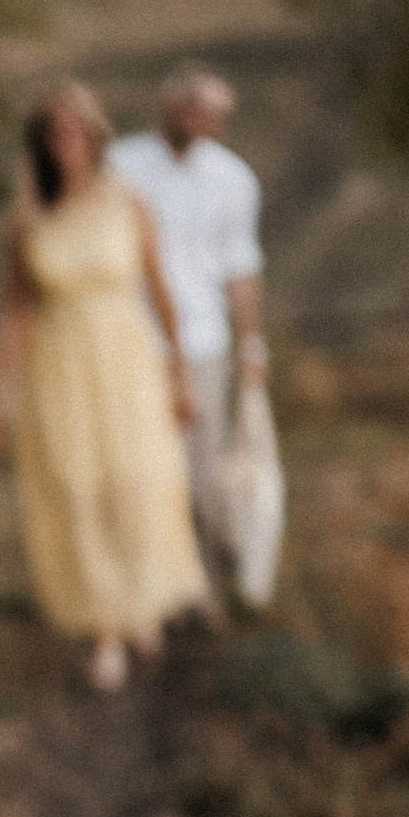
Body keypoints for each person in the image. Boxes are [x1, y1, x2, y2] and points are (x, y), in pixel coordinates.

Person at [0, 78, 207, 693]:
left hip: (126, 362)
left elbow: (161, 294)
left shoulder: (127, 204)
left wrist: (181, 374)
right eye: (54, 133)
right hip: (58, 367)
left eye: (76, 130)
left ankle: (143, 604)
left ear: (94, 135)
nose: (66, 142)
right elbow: (14, 314)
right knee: (77, 488)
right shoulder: (26, 220)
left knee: (136, 481)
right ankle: (104, 626)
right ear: (42, 144)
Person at [109, 65, 268, 583]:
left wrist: (252, 347)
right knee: (139, 471)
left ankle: (205, 584)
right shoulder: (121, 166)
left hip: (202, 342)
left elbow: (240, 270)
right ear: (170, 106)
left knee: (201, 472)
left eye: (214, 115)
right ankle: (146, 582)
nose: (203, 122)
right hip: (131, 340)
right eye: (195, 110)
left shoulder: (233, 178)